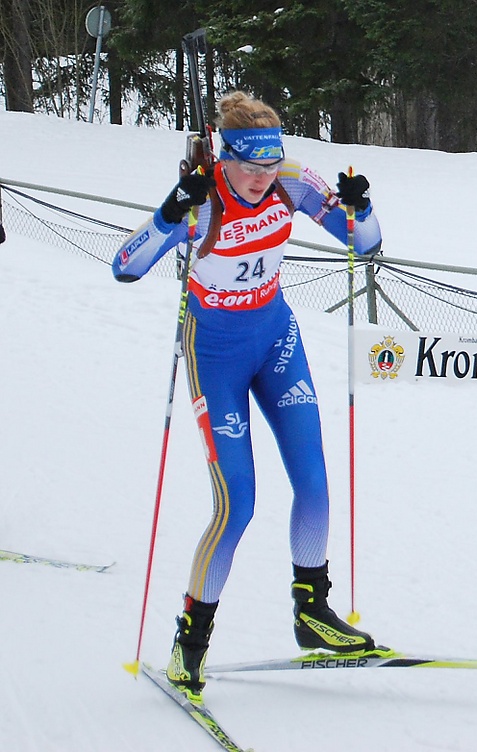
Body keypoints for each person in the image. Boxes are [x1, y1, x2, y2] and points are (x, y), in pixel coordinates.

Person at [112, 91, 383, 700]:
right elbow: (124, 266)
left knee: (313, 481)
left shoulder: (292, 180)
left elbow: (364, 243)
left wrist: (359, 206)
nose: (262, 178)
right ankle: (190, 641)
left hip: (276, 339)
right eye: (250, 166)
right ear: (225, 158)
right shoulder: (205, 199)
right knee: (237, 505)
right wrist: (169, 211)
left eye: (270, 164)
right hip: (215, 355)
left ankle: (312, 612)